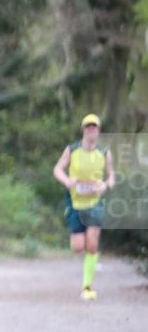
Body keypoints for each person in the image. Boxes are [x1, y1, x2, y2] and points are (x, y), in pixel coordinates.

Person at [52, 113, 115, 301]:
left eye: (94, 127)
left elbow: (111, 176)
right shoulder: (72, 150)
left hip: (95, 204)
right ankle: (87, 256)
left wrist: (105, 185)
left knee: (92, 243)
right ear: (83, 130)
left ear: (98, 130)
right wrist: (67, 181)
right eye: (88, 126)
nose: (91, 130)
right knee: (78, 247)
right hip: (75, 203)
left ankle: (87, 286)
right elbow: (57, 169)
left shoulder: (104, 153)